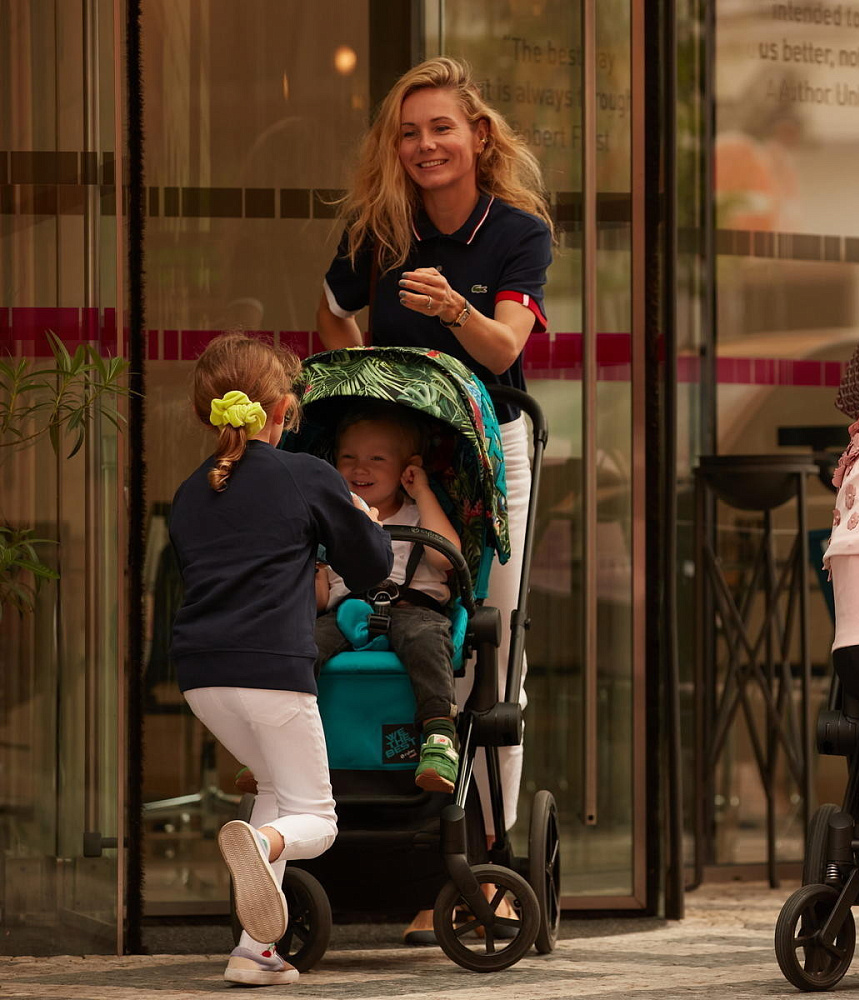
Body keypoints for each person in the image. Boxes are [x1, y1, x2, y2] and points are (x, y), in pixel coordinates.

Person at [315, 55, 553, 944]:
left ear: (478, 136)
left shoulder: (518, 232)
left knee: (490, 648)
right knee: (389, 629)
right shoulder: (378, 229)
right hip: (401, 456)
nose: (425, 146)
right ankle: (419, 861)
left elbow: (504, 351)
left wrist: (454, 310)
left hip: (490, 453)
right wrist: (365, 382)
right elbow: (330, 312)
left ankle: (487, 863)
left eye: (442, 128)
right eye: (409, 132)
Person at [168, 333, 392, 986]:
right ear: (284, 408)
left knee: (273, 789)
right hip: (272, 673)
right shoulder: (305, 475)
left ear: (208, 410)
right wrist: (362, 517)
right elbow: (371, 568)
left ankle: (254, 951)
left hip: (202, 677)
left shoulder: (189, 493)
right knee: (316, 819)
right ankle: (261, 843)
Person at [314, 403, 463, 793]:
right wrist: (311, 560)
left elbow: (445, 559)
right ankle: (275, 743)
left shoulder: (419, 513)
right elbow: (319, 600)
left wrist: (423, 491)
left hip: (413, 610)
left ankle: (439, 735)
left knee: (426, 639)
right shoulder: (330, 522)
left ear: (407, 468)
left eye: (376, 459)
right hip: (345, 613)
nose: (359, 468)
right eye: (348, 457)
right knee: (300, 646)